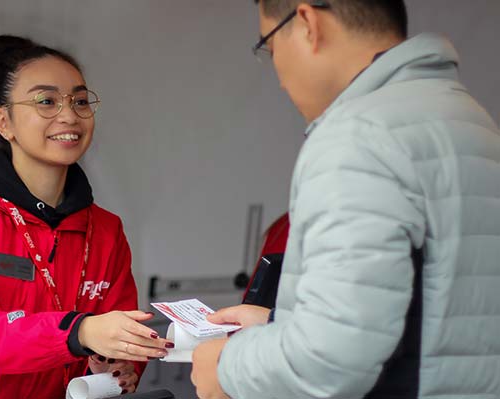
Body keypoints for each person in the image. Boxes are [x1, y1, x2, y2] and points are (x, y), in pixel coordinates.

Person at [190, 1, 500, 398]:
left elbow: (329, 358)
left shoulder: (359, 136)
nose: (280, 76)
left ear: (306, 22)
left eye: (269, 46)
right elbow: (428, 320)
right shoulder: (471, 120)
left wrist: (228, 366)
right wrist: (279, 326)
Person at [0, 35, 173, 399]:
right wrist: (78, 332)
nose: (69, 115)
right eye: (47, 101)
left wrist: (117, 365)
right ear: (4, 121)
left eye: (80, 100)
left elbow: (120, 333)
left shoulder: (104, 229)